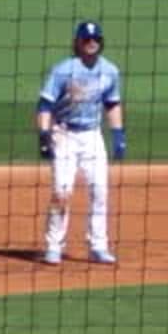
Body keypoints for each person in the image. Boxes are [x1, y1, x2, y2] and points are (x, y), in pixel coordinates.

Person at [34, 20, 127, 265]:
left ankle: (98, 245)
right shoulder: (64, 70)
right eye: (86, 39)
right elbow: (45, 105)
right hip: (64, 134)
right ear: (77, 42)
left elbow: (112, 103)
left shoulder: (110, 71)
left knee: (99, 190)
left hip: (92, 136)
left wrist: (118, 134)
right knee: (61, 191)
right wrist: (44, 136)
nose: (91, 43)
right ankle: (54, 246)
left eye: (95, 39)